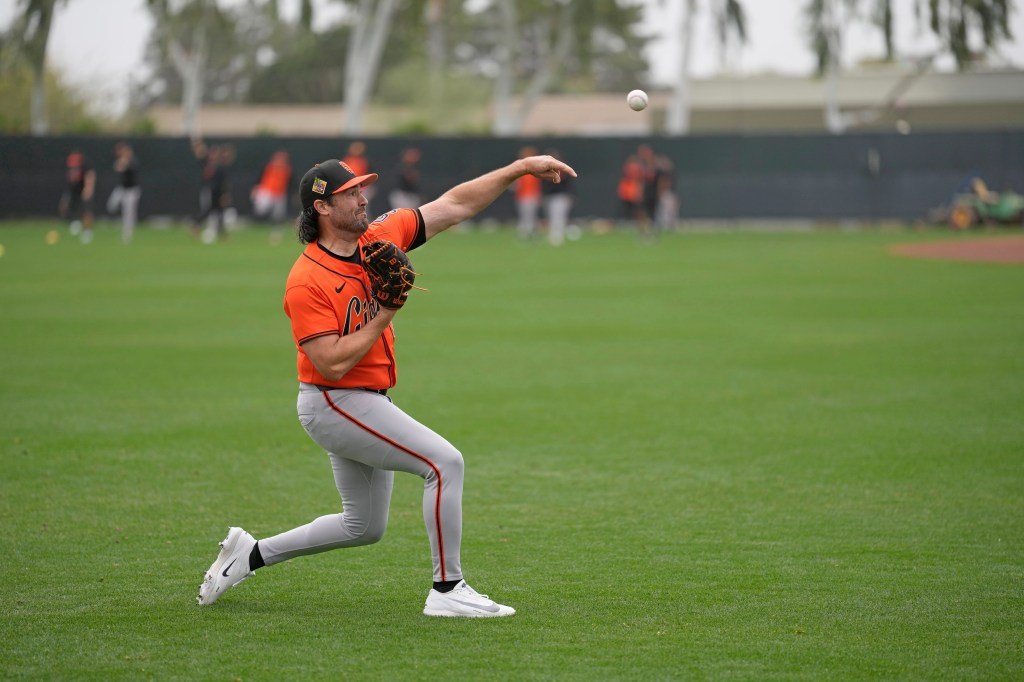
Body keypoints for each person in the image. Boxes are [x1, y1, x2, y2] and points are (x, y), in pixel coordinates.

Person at [197, 152, 577, 618]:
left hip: (361, 399)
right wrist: (387, 312)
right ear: (321, 208)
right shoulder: (306, 280)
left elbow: (453, 204)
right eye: (350, 193)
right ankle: (447, 589)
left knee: (363, 526)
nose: (363, 198)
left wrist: (518, 169)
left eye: (362, 189)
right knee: (444, 463)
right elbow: (331, 363)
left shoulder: (378, 236)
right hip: (333, 402)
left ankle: (249, 553)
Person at [191, 139, 232, 243]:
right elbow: (199, 153)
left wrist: (225, 194)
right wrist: (198, 145)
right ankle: (196, 225)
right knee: (209, 211)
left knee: (219, 213)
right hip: (210, 192)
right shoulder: (206, 164)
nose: (214, 155)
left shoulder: (220, 166)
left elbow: (224, 181)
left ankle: (221, 234)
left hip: (218, 193)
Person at [106, 142, 141, 244]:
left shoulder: (134, 161)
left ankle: (127, 235)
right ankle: (115, 222)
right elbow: (117, 167)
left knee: (129, 214)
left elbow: (128, 167)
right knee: (111, 205)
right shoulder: (122, 160)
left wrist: (124, 163)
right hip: (121, 189)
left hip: (132, 191)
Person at [251, 149, 292, 234]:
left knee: (278, 214)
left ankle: (277, 229)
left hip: (279, 194)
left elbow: (290, 183)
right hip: (267, 191)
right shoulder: (269, 167)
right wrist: (256, 188)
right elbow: (259, 178)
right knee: (261, 209)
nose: (280, 161)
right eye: (278, 158)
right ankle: (256, 218)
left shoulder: (287, 169)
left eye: (282, 159)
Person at [59, 150, 96, 244]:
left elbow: (90, 175)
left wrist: (88, 188)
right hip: (74, 189)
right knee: (68, 207)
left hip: (84, 188)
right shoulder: (71, 168)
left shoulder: (86, 165)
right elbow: (70, 179)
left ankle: (87, 231)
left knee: (87, 210)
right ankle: (75, 223)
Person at [542, 148, 574, 246]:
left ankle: (558, 237)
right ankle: (553, 236)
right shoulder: (544, 170)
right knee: (552, 217)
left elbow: (568, 184)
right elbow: (545, 185)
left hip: (560, 196)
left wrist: (569, 195)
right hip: (550, 197)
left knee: (559, 217)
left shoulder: (562, 169)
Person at [513, 146, 542, 239]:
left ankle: (530, 233)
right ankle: (524, 233)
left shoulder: (535, 169)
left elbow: (537, 185)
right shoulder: (520, 169)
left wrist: (538, 196)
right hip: (522, 197)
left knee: (531, 216)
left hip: (531, 197)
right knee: (524, 216)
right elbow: (516, 185)